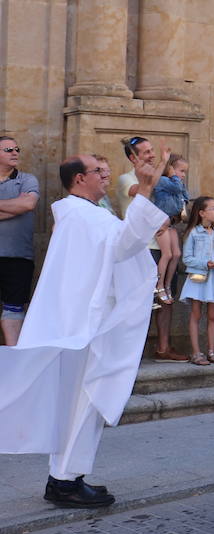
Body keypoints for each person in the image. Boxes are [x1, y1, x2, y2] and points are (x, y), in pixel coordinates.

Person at [0, 149, 165, 508]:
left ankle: (66, 477)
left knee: (82, 402)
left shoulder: (85, 215)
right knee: (83, 402)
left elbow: (118, 247)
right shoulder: (82, 216)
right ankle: (64, 482)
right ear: (80, 178)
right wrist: (146, 190)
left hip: (83, 323)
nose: (106, 177)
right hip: (84, 327)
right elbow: (127, 245)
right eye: (99, 171)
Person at [116, 136, 187, 362]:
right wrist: (165, 164)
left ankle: (163, 348)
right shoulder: (125, 179)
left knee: (166, 301)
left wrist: (171, 217)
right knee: (139, 303)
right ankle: (128, 354)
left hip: (162, 243)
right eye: (146, 152)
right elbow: (146, 188)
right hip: (141, 249)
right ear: (132, 157)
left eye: (152, 151)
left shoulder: (161, 176)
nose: (152, 155)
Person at [180, 196, 214, 366]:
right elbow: (187, 258)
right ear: (202, 213)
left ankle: (211, 351)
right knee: (196, 314)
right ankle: (196, 352)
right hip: (198, 277)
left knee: (212, 315)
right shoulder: (193, 233)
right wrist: (205, 264)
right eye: (213, 208)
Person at [0, 135, 39, 347]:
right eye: (8, 150)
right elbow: (19, 206)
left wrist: (20, 206)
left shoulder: (27, 179)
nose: (15, 153)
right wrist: (13, 207)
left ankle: (12, 361)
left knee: (14, 309)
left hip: (18, 257)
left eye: (17, 149)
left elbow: (28, 205)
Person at [150, 153, 189, 305]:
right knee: (166, 254)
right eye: (181, 171)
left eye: (185, 172)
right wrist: (174, 177)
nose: (183, 175)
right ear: (170, 169)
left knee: (176, 253)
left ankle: (167, 285)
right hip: (160, 221)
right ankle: (158, 286)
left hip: (171, 222)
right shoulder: (163, 180)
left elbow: (185, 196)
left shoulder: (178, 183)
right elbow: (176, 188)